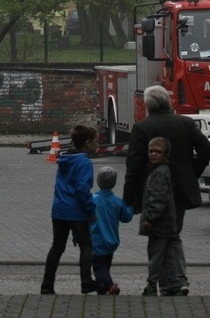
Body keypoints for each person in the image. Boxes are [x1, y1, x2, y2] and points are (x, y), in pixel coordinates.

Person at [123, 84, 210, 295]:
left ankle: (165, 283)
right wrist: (192, 173)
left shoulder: (142, 127)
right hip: (180, 190)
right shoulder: (185, 123)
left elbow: (133, 166)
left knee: (157, 239)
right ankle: (174, 282)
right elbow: (206, 149)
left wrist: (127, 199)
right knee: (172, 235)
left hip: (152, 192)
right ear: (169, 102)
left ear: (147, 106)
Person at [40, 122, 98, 295]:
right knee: (86, 245)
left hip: (59, 209)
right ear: (88, 142)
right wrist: (90, 210)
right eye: (95, 141)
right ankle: (86, 281)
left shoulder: (65, 159)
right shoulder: (84, 163)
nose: (97, 144)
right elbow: (82, 189)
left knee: (57, 247)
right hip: (76, 211)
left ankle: (47, 284)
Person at [139, 138, 183, 296]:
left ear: (166, 155)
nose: (153, 154)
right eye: (151, 151)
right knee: (168, 257)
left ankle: (152, 285)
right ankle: (174, 285)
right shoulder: (162, 170)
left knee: (156, 257)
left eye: (157, 151)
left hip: (159, 225)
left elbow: (158, 199)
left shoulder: (159, 172)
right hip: (168, 224)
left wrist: (149, 219)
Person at [91, 165, 133, 295]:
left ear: (97, 181)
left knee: (99, 267)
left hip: (96, 241)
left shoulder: (92, 201)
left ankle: (109, 286)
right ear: (114, 183)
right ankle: (102, 287)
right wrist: (131, 207)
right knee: (106, 265)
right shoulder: (117, 202)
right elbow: (126, 218)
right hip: (112, 241)